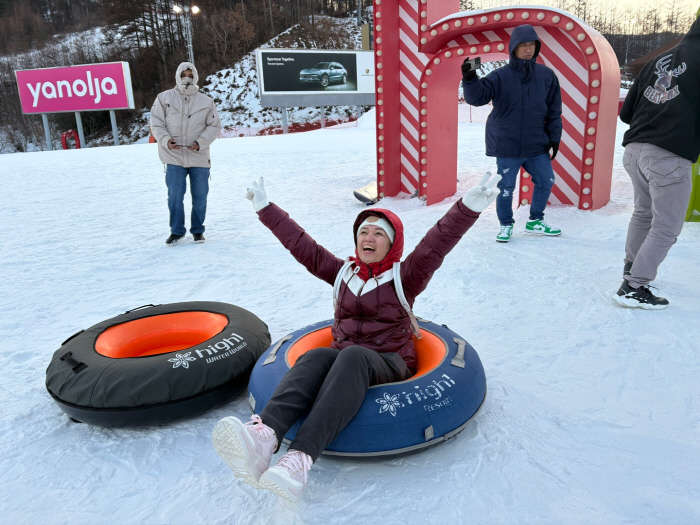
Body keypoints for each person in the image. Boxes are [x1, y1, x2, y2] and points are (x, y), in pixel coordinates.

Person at [212, 172, 501, 502]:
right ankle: (265, 437)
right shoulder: (342, 274)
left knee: (352, 355)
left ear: (392, 243)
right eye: (364, 231)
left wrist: (467, 208)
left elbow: (436, 243)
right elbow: (302, 245)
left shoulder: (405, 276)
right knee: (317, 356)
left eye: (379, 233)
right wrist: (266, 209)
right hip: (345, 361)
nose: (370, 237)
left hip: (391, 362)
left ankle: (300, 460)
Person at [614, 16, 700, 310]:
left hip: (635, 150)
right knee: (667, 226)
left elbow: (626, 113)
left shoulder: (660, 58)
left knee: (643, 214)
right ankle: (634, 286)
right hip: (669, 155)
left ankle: (631, 268)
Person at [461, 24, 563, 243]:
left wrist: (554, 138)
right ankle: (506, 224)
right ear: (513, 48)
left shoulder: (547, 76)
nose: (528, 49)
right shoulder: (500, 76)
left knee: (546, 180)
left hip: (537, 144)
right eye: (523, 45)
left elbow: (554, 111)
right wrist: (470, 78)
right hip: (507, 144)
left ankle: (536, 220)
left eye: (532, 45)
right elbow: (477, 98)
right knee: (506, 187)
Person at [150, 62, 221, 246]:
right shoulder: (163, 98)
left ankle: (198, 230)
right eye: (183, 74)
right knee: (175, 194)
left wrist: (201, 143)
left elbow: (214, 126)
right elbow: (156, 122)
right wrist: (165, 140)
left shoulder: (206, 101)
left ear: (196, 76)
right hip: (173, 155)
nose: (187, 78)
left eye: (190, 74)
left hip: (198, 155)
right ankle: (176, 231)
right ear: (177, 76)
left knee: (200, 195)